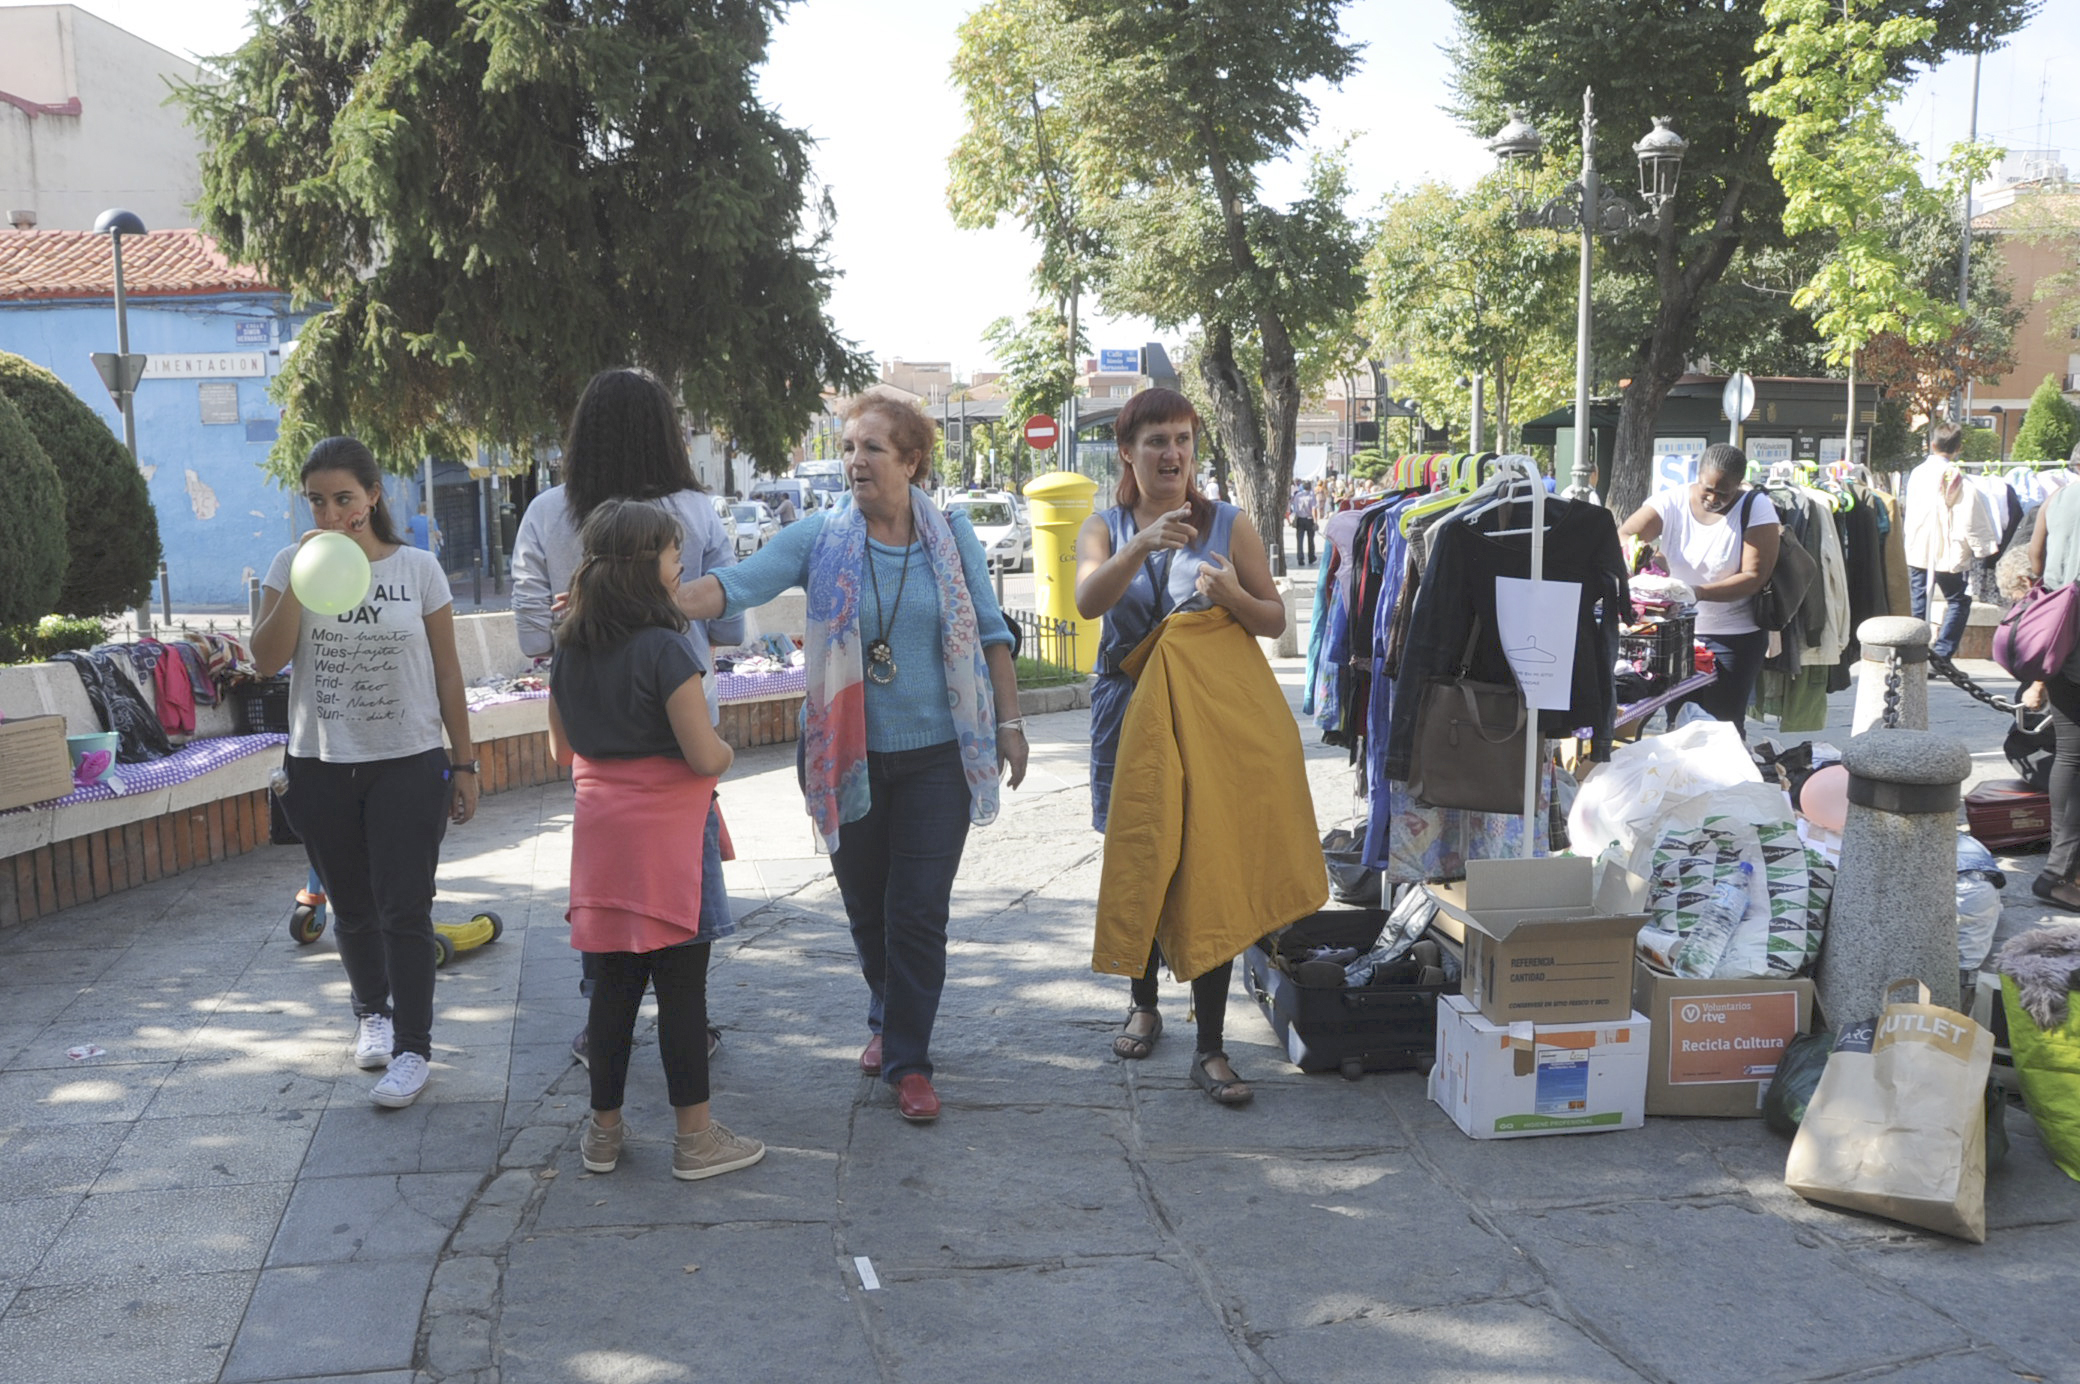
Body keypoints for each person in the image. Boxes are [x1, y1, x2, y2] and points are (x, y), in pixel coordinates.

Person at [677, 391, 1026, 1123]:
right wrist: (657, 597)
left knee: (918, 911)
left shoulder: (953, 534)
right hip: (845, 753)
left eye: (871, 448)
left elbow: (991, 629)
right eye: (846, 448)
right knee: (869, 910)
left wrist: (1012, 723)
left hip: (939, 755)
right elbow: (738, 584)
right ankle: (887, 1013)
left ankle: (909, 1060)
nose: (854, 461)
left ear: (911, 460)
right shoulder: (819, 538)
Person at [510, 368, 742, 1070]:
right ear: (665, 434)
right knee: (684, 884)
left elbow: (531, 635)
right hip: (681, 733)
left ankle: (601, 1019)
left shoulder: (547, 512)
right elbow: (731, 621)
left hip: (596, 749)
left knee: (607, 888)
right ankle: (686, 1022)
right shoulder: (694, 514)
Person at [1074, 388, 1292, 1105]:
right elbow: (1087, 602)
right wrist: (1141, 543)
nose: (1172, 454)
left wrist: (1230, 596)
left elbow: (1272, 618)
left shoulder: (1230, 524)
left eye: (1183, 440)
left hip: (1209, 719)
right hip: (1127, 710)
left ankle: (1211, 1046)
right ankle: (1144, 1002)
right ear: (1128, 454)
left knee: (1210, 862)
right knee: (1143, 853)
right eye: (1156, 441)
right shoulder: (1104, 527)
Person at [253, 437, 478, 1108]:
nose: (331, 513)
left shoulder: (418, 570)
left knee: (404, 907)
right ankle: (371, 1016)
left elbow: (446, 671)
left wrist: (463, 761)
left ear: (374, 496)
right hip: (321, 762)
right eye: (317, 501)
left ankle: (414, 1050)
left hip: (408, 761)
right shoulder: (291, 563)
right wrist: (305, 575)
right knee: (351, 906)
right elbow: (265, 659)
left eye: (344, 499)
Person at [547, 499, 764, 1180]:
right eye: (674, 555)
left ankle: (603, 1136)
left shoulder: (569, 647)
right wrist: (726, 753)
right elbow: (704, 756)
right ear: (649, 567)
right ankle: (695, 1141)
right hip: (668, 842)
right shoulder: (667, 650)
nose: (681, 566)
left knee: (610, 990)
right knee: (681, 991)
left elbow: (561, 748)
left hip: (600, 841)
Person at [1618, 443, 1781, 739]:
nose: (1713, 498)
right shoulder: (1671, 501)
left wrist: (1696, 593)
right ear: (1698, 476)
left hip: (1734, 637)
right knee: (1679, 727)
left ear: (1739, 485)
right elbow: (1627, 534)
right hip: (1677, 638)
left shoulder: (1756, 507)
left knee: (1723, 729)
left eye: (1724, 493)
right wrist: (1638, 555)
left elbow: (1754, 576)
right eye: (1708, 489)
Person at [2023, 440, 2080, 910]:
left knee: (2070, 755)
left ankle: (2059, 870)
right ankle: (2060, 873)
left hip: (2059, 637)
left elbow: (2035, 562)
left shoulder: (2055, 500)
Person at [1904, 421, 1999, 662]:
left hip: (1917, 548)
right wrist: (1983, 548)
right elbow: (1970, 515)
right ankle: (1942, 654)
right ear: (1959, 448)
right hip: (1944, 550)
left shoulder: (1917, 473)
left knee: (1919, 601)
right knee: (1958, 600)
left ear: (1932, 444)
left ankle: (1915, 651)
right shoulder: (1955, 476)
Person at [1289, 481, 1319, 567]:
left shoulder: (1297, 495)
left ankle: (1300, 558)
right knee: (1310, 539)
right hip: (1309, 519)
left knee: (1300, 540)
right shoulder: (1311, 495)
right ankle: (1311, 557)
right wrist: (1316, 522)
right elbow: (1314, 509)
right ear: (1310, 487)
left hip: (1299, 519)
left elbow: (1294, 507)